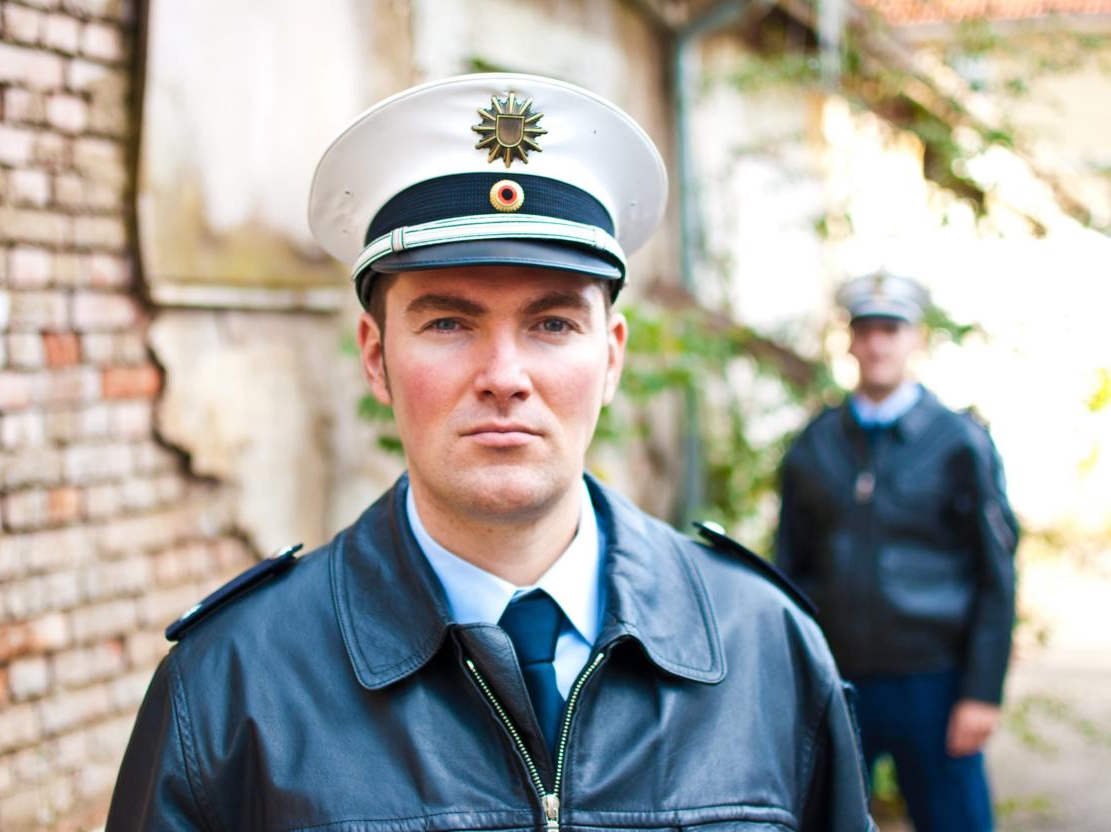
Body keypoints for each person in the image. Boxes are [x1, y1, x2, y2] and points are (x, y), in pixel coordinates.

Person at [107, 74, 874, 831]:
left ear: (610, 358)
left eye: (552, 325)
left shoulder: (763, 647)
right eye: (448, 323)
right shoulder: (230, 688)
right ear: (375, 357)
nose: (505, 378)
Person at [775, 273, 1018, 832]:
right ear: (850, 342)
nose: (878, 343)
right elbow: (788, 568)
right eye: (866, 330)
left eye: (892, 329)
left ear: (917, 339)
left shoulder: (959, 443)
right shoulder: (815, 443)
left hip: (933, 681)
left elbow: (994, 574)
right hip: (838, 682)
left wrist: (981, 691)